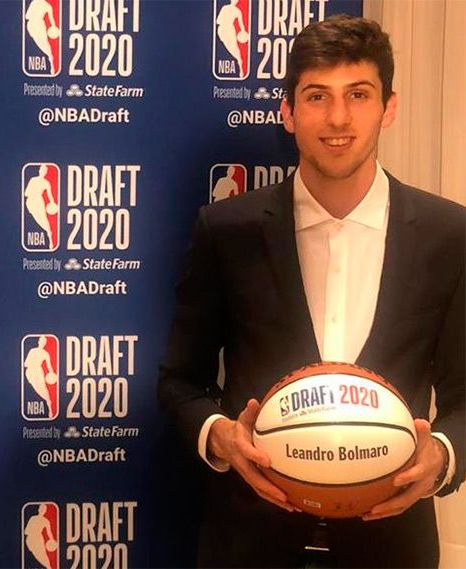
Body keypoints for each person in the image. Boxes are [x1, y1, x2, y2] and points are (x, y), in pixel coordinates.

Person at [158, 15, 464, 568]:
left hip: (392, 549)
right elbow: (179, 382)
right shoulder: (226, 231)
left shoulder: (450, 235)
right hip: (249, 546)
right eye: (317, 96)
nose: (338, 117)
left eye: (358, 94)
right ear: (288, 112)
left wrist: (441, 457)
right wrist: (220, 436)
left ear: (389, 108)